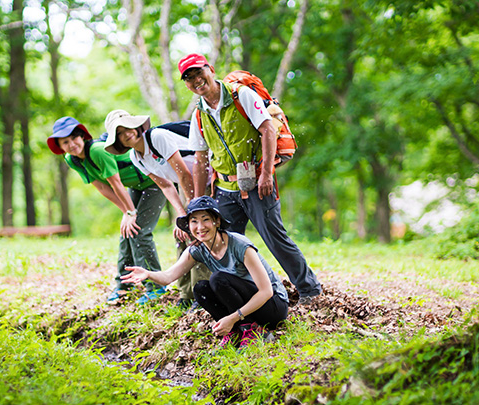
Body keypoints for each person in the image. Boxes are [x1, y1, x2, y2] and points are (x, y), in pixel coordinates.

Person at [177, 53, 322, 304]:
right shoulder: (199, 114)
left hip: (257, 182)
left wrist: (266, 173)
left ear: (210, 69)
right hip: (224, 187)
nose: (196, 80)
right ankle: (242, 296)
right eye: (188, 78)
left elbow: (267, 129)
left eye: (198, 72)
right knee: (222, 243)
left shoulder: (240, 95)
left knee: (274, 238)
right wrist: (199, 200)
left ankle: (309, 290)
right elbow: (200, 159)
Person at [121, 196, 288, 347]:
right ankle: (236, 332)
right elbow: (168, 277)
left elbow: (266, 291)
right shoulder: (197, 249)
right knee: (201, 288)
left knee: (218, 279)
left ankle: (252, 330)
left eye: (206, 219)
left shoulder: (240, 245)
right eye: (194, 221)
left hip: (272, 306)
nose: (200, 227)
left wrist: (233, 317)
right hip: (246, 306)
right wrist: (148, 274)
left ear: (216, 221)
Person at [47, 116, 166, 305]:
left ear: (82, 137)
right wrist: (126, 213)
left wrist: (131, 213)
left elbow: (116, 183)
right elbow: (103, 188)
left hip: (155, 182)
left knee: (139, 231)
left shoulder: (97, 151)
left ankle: (156, 286)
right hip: (135, 187)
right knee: (127, 232)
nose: (72, 145)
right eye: (65, 142)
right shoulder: (73, 160)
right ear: (60, 147)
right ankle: (124, 285)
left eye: (74, 138)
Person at [103, 109, 212, 309]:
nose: (127, 134)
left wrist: (190, 213)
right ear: (117, 140)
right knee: (182, 235)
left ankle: (202, 294)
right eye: (119, 133)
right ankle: (186, 294)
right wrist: (181, 216)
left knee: (199, 234)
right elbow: (166, 186)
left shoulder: (157, 137)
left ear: (136, 125)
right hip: (187, 187)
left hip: (207, 178)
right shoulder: (137, 158)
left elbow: (184, 174)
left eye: (127, 127)